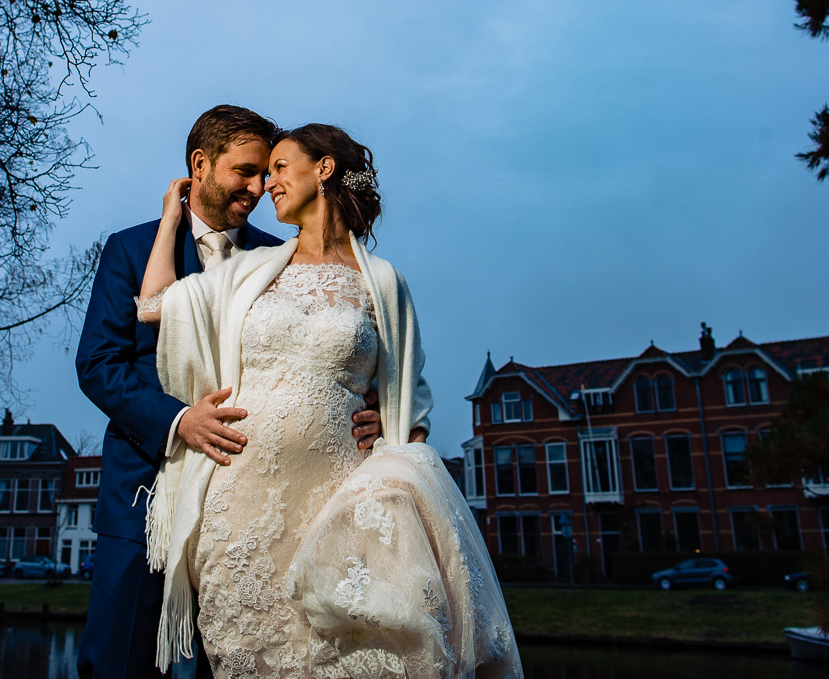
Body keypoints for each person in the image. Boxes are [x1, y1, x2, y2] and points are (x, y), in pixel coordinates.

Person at [136, 124, 520, 679]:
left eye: (281, 167)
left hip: (340, 505)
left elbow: (409, 404)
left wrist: (390, 427)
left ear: (323, 169)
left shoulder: (384, 283)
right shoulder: (246, 270)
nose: (268, 183)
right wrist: (174, 215)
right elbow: (155, 306)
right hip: (241, 507)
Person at [75, 106, 384, 679]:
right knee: (121, 657)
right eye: (245, 171)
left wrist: (373, 413)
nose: (259, 186)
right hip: (146, 491)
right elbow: (97, 363)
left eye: (266, 172)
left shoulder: (281, 255)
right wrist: (178, 421)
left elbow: (331, 350)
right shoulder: (129, 248)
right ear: (200, 165)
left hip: (253, 503)